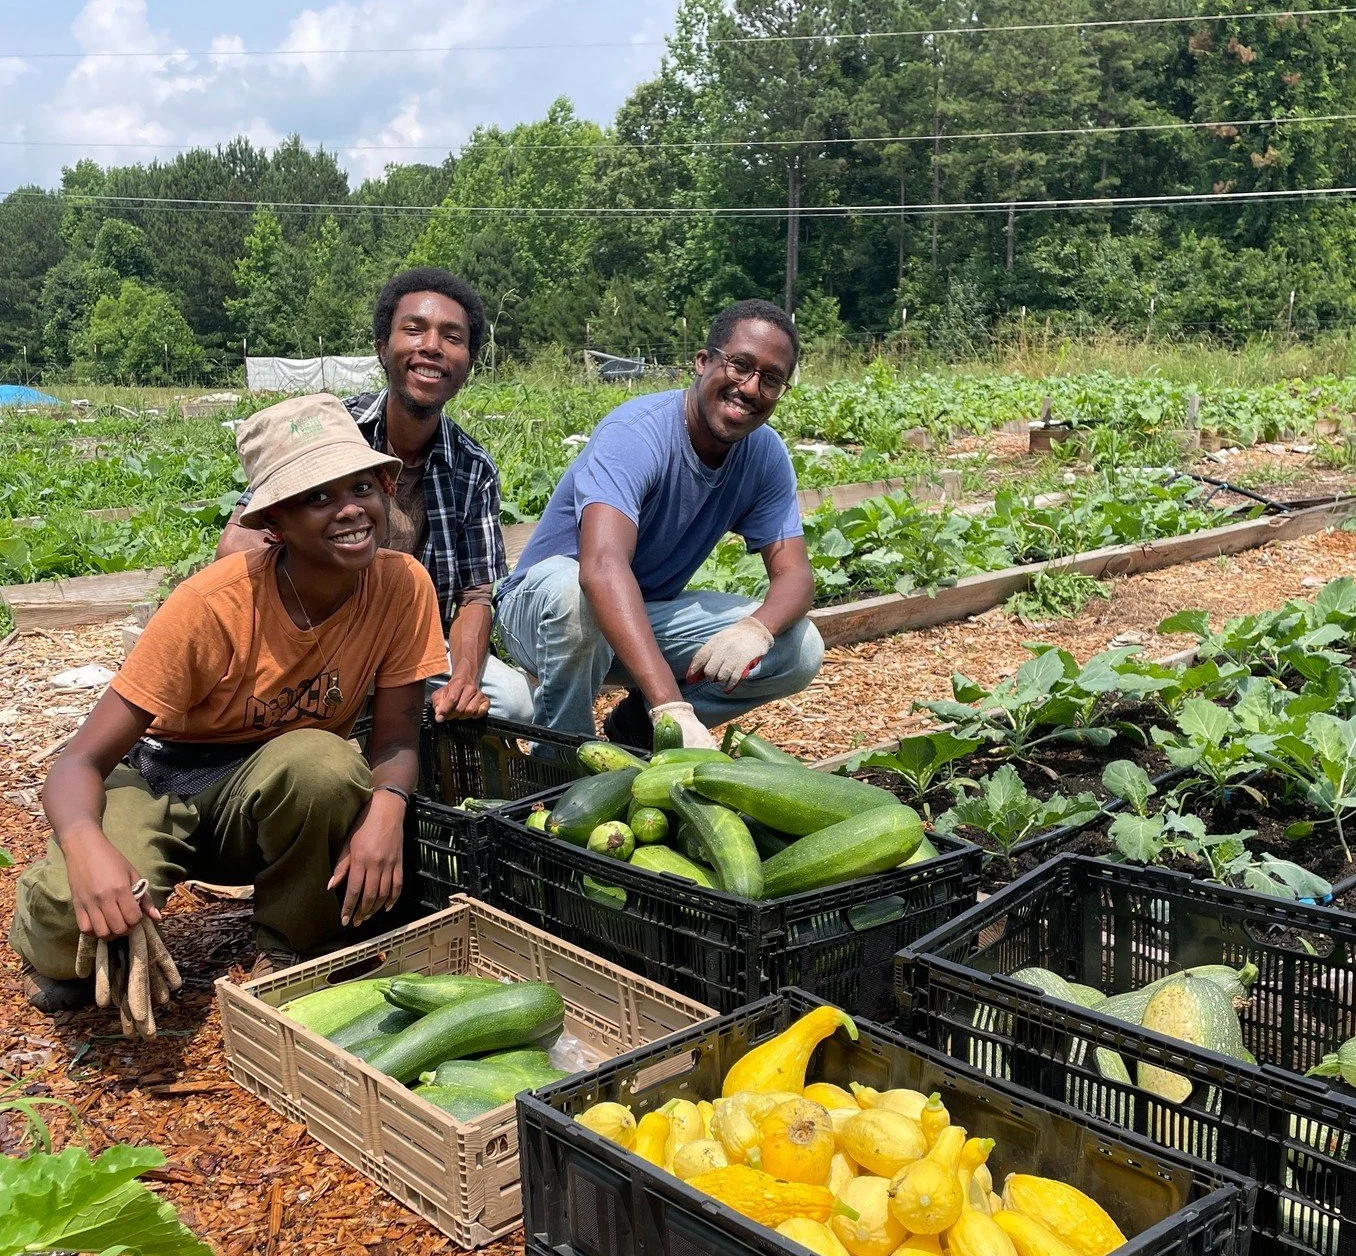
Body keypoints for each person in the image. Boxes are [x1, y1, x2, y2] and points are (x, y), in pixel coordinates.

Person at [13, 392, 449, 1013]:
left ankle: (292, 943)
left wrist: (386, 810)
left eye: (362, 487)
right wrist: (87, 847)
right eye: (318, 497)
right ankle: (46, 921)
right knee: (75, 928)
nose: (351, 510)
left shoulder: (402, 587)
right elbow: (77, 761)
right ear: (274, 522)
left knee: (323, 765)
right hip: (162, 776)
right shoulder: (213, 605)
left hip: (262, 791)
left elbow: (399, 738)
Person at [491, 299, 823, 748]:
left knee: (799, 648)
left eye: (771, 379)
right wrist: (673, 704)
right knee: (577, 596)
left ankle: (637, 729)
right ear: (703, 362)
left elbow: (796, 575)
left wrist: (756, 630)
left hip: (639, 613)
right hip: (543, 612)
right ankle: (561, 763)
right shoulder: (637, 433)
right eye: (740, 365)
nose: (750, 387)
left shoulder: (763, 455)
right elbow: (602, 569)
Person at [218, 268, 525, 723]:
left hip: (413, 644)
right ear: (383, 347)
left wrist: (465, 677)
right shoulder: (330, 429)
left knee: (516, 703)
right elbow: (237, 542)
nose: (432, 347)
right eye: (414, 329)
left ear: (469, 362)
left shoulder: (472, 467)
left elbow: (476, 595)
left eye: (452, 337)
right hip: (314, 633)